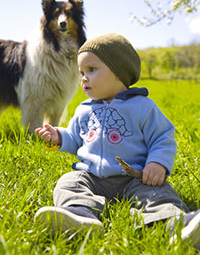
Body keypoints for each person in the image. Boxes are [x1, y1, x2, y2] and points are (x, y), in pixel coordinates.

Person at [34, 33, 200, 249]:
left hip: (135, 177)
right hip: (92, 176)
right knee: (69, 182)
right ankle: (79, 215)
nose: (84, 78)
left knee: (158, 193)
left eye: (91, 70)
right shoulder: (84, 110)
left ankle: (175, 224)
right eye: (82, 72)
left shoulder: (142, 107)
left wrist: (157, 163)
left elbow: (162, 137)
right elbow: (75, 138)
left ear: (119, 72)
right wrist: (59, 136)